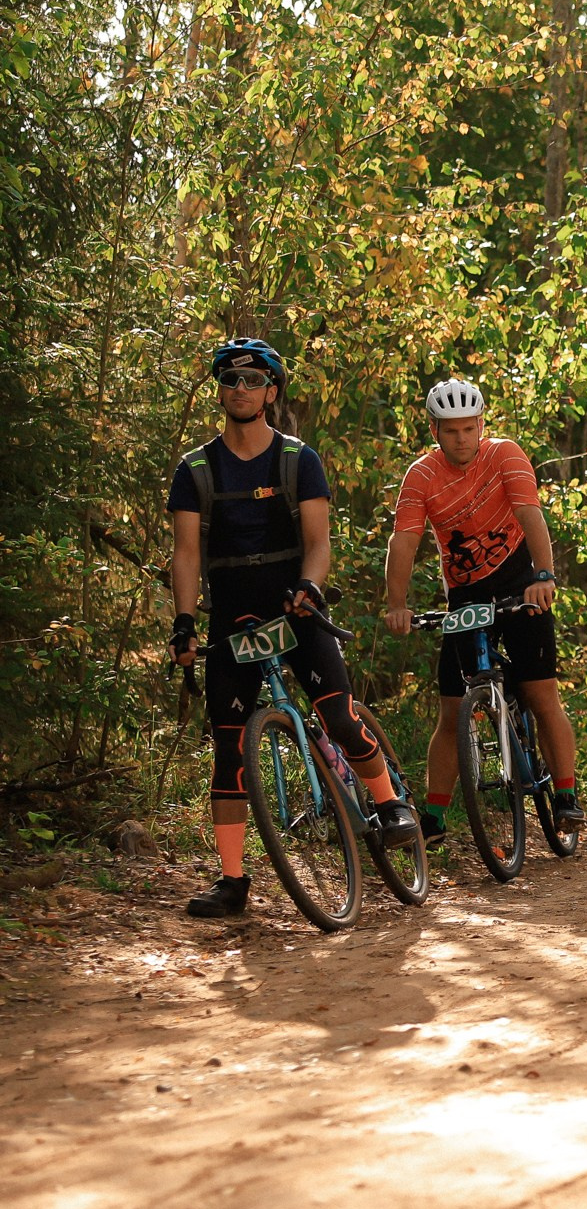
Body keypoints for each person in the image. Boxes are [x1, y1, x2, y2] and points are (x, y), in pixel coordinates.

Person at [171, 340, 417, 918]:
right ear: (220, 390)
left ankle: (387, 806)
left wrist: (310, 586)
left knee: (336, 714)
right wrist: (184, 622)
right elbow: (185, 554)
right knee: (229, 750)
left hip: (297, 609)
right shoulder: (196, 469)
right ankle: (232, 882)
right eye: (230, 380)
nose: (239, 389)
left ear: (271, 392)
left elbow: (318, 541)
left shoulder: (297, 459)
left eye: (252, 381)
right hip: (233, 618)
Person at [381, 379, 581, 841]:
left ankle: (567, 796)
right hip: (466, 594)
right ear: (435, 430)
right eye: (450, 431)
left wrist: (544, 577)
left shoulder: (504, 454)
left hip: (518, 581)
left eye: (468, 429)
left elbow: (530, 512)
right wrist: (397, 604)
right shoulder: (421, 476)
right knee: (451, 712)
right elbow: (405, 540)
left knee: (540, 693)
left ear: (481, 425)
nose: (461, 439)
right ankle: (434, 816)